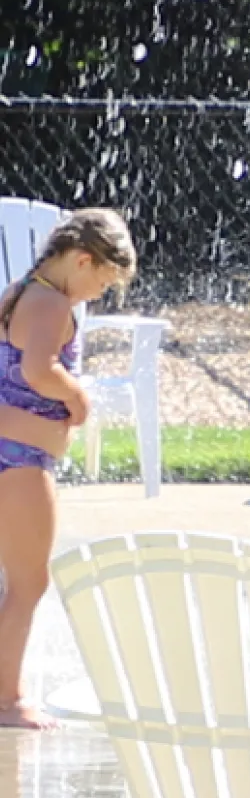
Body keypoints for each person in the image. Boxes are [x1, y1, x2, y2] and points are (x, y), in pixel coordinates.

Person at [0, 208, 137, 729]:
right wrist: (78, 399)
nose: (95, 295)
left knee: (10, 580)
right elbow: (40, 370)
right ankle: (8, 701)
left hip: (9, 447)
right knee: (28, 582)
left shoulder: (17, 292)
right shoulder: (53, 304)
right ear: (83, 260)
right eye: (100, 283)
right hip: (20, 460)